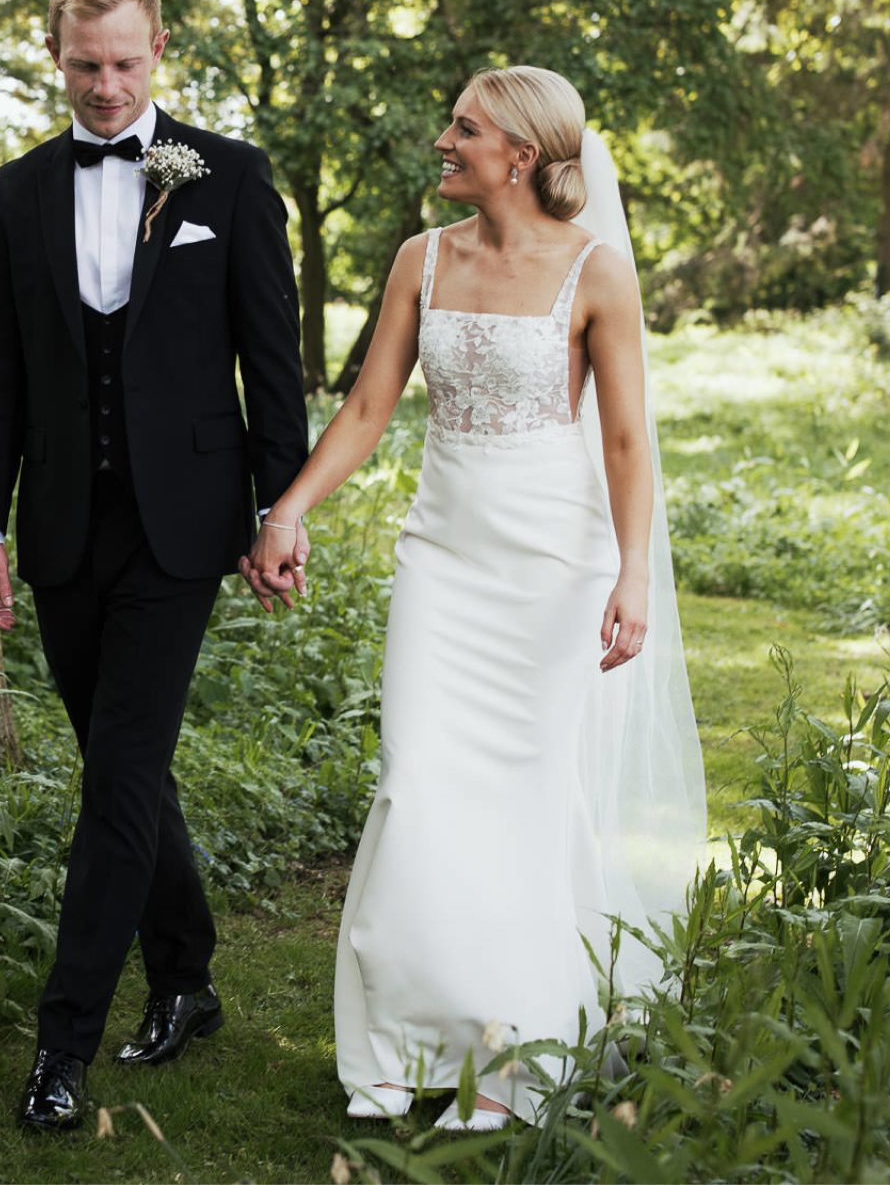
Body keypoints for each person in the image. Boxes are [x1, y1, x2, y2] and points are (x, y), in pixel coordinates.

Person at [244, 65, 707, 1131]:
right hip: (442, 559)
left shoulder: (595, 272)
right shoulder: (423, 258)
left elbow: (628, 440)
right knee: (417, 784)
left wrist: (633, 573)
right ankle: (399, 1044)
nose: (444, 140)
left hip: (554, 564)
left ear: (523, 157)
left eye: (466, 127)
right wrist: (287, 511)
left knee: (525, 803)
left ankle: (509, 1053)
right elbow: (368, 405)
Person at [0, 0, 308, 1134]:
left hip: (180, 531)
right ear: (52, 55)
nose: (104, 88)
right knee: (129, 769)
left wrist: (278, 509)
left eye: (123, 65)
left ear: (158, 51)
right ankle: (189, 976)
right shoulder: (13, 194)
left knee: (111, 781)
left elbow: (272, 364)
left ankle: (62, 1047)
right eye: (82, 65)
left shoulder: (225, 177)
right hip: (60, 526)